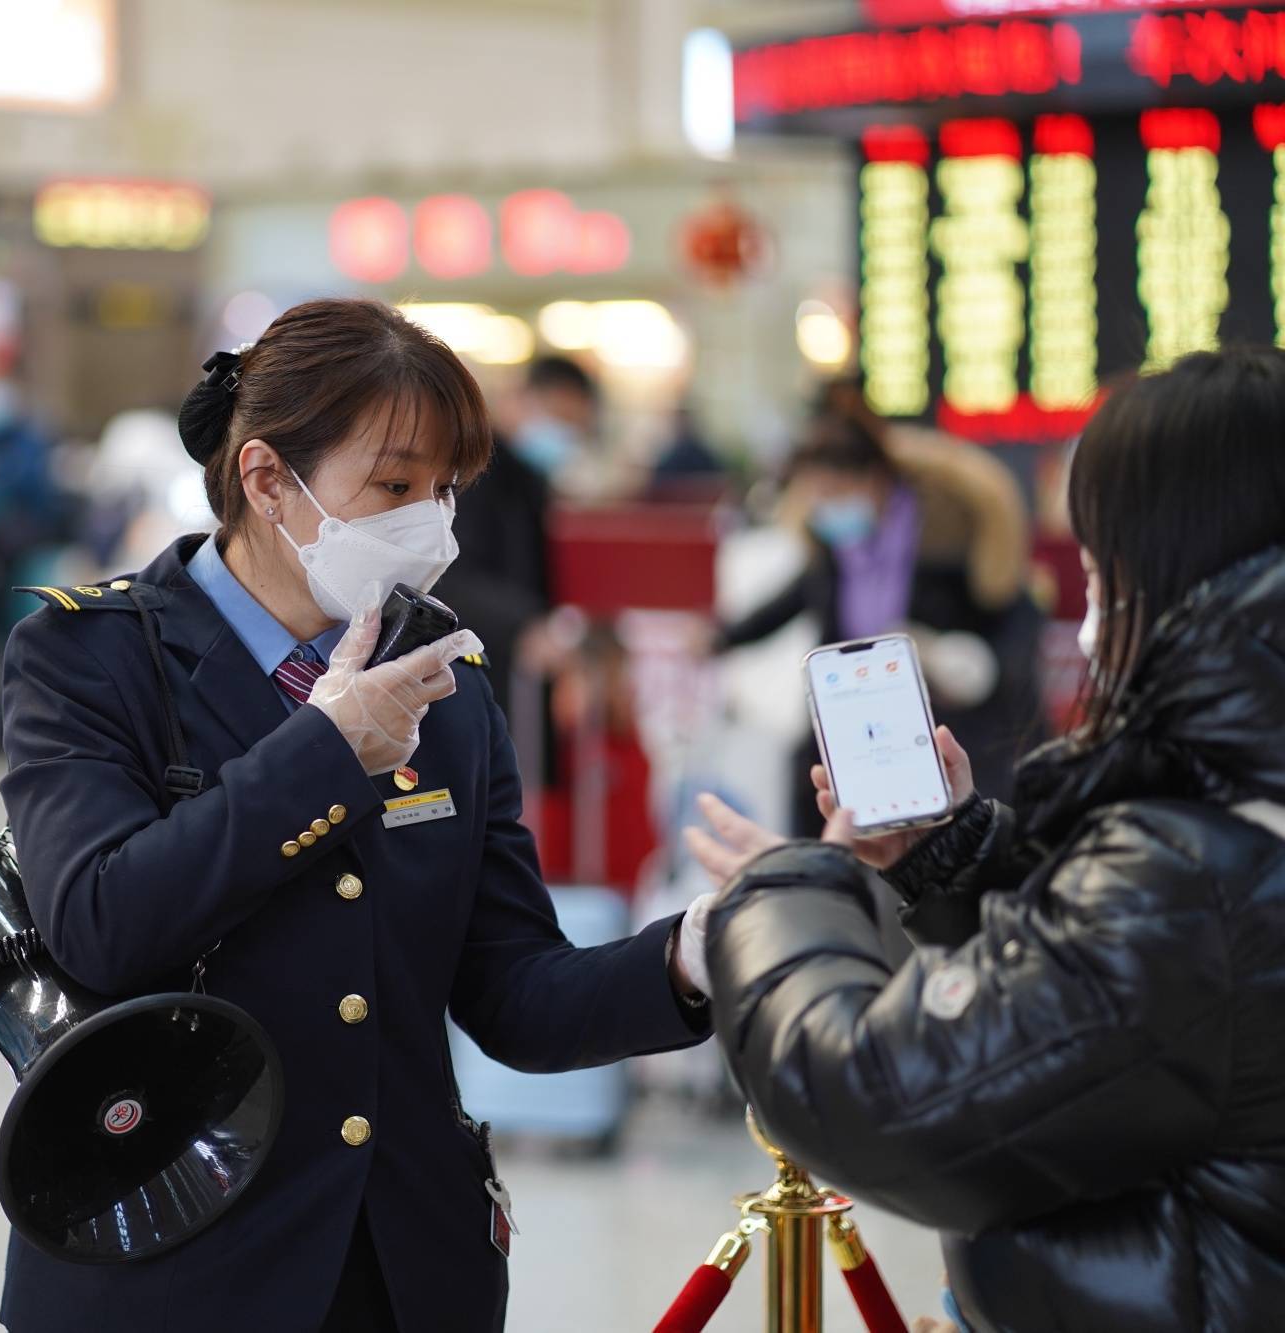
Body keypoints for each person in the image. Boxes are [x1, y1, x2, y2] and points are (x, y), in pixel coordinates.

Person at [0, 298, 713, 1333]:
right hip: (171, 1262)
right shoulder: (93, 658)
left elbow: (512, 988)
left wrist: (695, 953)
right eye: (393, 486)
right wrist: (321, 753)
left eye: (444, 491)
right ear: (265, 479)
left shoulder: (441, 682)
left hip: (399, 1272)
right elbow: (103, 921)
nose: (429, 524)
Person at [686, 346, 1285, 1332]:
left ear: (1174, 576)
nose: (1090, 614)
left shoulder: (1184, 878)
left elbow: (885, 1099)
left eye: (1100, 570)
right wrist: (956, 857)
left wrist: (785, 893)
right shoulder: (1218, 835)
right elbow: (1143, 1004)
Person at [714, 411, 1043, 834]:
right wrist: (721, 638)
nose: (825, 506)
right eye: (815, 496)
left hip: (950, 730)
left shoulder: (950, 534)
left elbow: (1010, 621)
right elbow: (793, 598)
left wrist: (957, 662)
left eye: (835, 491)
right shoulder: (837, 546)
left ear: (873, 479)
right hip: (857, 720)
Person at [433, 355, 590, 715]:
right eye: (559, 420)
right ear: (524, 400)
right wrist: (523, 624)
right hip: (480, 662)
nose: (561, 438)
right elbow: (452, 572)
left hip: (519, 667)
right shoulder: (473, 474)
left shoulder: (527, 479)